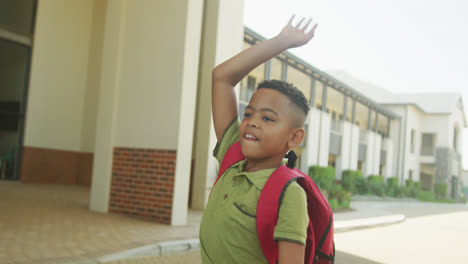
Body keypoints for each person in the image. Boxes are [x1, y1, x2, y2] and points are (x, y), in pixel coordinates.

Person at [199, 15, 318, 264]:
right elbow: (221, 77)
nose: (252, 121)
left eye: (268, 119)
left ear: (294, 137)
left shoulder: (290, 194)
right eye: (249, 113)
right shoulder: (232, 157)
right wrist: (281, 41)